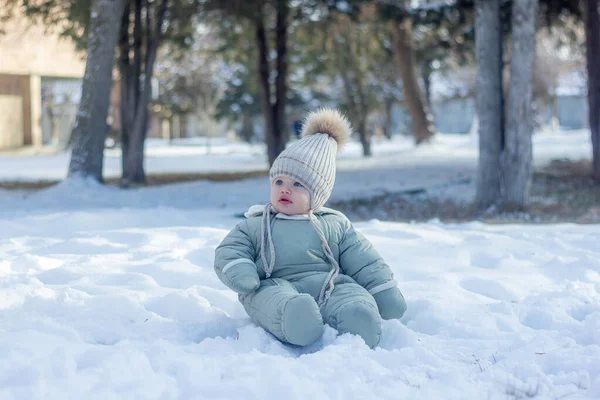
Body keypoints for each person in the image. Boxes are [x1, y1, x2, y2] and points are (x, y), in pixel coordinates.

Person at [214, 108, 407, 348]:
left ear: (317, 195)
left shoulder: (335, 225)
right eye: (279, 182)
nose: (285, 189)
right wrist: (242, 271)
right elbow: (231, 249)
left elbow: (365, 260)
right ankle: (294, 318)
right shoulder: (256, 223)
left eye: (297, 184)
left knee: (351, 296)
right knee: (269, 299)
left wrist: (383, 291)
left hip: (329, 284)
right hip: (276, 284)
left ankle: (358, 318)